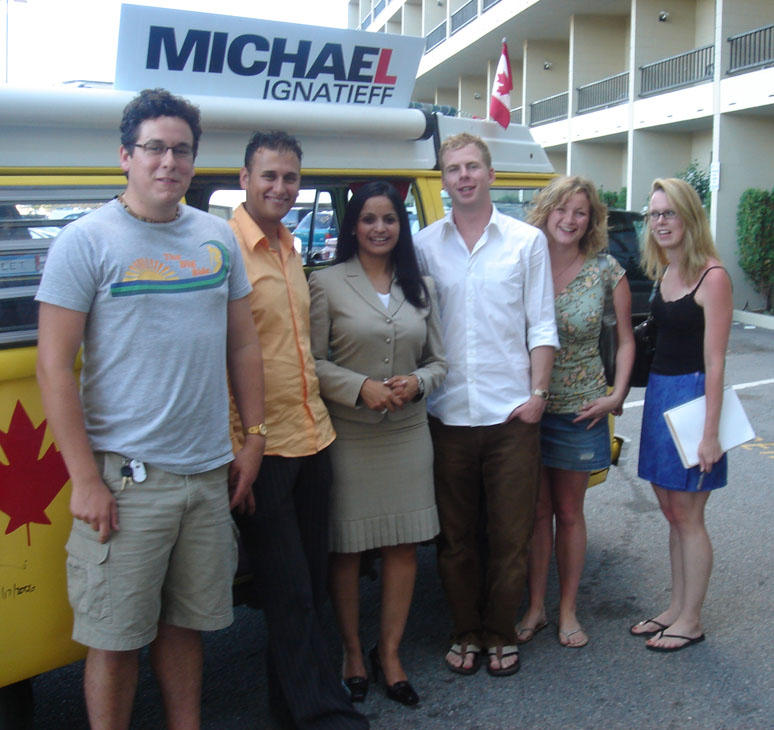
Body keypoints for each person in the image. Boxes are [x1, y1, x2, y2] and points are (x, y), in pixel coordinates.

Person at [35, 88, 266, 730]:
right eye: (154, 148)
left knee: (188, 627)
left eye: (182, 150)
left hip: (207, 475)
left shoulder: (216, 239)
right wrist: (84, 478)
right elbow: (54, 367)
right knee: (113, 638)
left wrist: (254, 437)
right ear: (126, 157)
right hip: (125, 482)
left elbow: (243, 343)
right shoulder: (85, 242)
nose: (169, 162)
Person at [228, 131, 368, 729]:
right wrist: (240, 446)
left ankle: (288, 712)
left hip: (315, 437)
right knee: (286, 591)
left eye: (291, 178)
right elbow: (219, 355)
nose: (281, 188)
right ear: (244, 179)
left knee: (309, 583)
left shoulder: (289, 245)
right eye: (270, 177)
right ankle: (324, 715)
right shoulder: (223, 247)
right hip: (263, 448)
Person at [413, 133, 559, 677]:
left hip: (511, 416)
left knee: (510, 535)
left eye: (473, 166)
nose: (464, 176)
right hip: (447, 415)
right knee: (455, 540)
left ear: (491, 174)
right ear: (443, 180)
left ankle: (500, 631)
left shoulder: (526, 242)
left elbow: (541, 323)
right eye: (453, 169)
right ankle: (464, 630)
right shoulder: (426, 244)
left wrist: (538, 397)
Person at [308, 182, 447, 706]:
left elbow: (440, 361)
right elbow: (314, 362)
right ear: (353, 226)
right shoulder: (326, 283)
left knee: (402, 546)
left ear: (401, 225)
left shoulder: (420, 285)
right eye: (368, 219)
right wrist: (358, 388)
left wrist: (420, 383)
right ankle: (350, 652)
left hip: (408, 437)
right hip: (350, 436)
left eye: (390, 218)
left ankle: (389, 653)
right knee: (346, 550)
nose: (380, 228)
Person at [515, 176, 635, 649]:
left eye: (580, 212)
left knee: (568, 512)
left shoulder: (607, 270)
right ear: (546, 210)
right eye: (562, 209)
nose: (570, 219)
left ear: (592, 220)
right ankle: (534, 608)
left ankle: (567, 610)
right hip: (526, 408)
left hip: (581, 410)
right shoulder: (524, 262)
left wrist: (615, 395)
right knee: (534, 512)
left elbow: (627, 340)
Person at [629, 177, 732, 652]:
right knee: (672, 512)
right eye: (654, 214)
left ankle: (691, 619)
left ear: (689, 216)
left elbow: (715, 363)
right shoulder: (667, 271)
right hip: (660, 398)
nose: (660, 222)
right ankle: (675, 607)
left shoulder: (713, 277)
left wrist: (709, 435)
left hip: (694, 399)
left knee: (689, 516)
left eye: (669, 213)